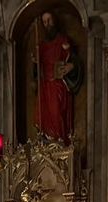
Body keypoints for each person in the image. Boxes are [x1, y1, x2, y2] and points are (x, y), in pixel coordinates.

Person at [32, 11, 81, 142]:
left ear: (55, 21)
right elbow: (36, 71)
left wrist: (71, 65)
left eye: (49, 20)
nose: (47, 24)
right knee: (43, 116)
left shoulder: (63, 40)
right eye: (44, 22)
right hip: (44, 86)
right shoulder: (41, 46)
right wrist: (35, 63)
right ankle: (46, 142)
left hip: (58, 84)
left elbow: (74, 60)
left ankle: (59, 141)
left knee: (57, 112)